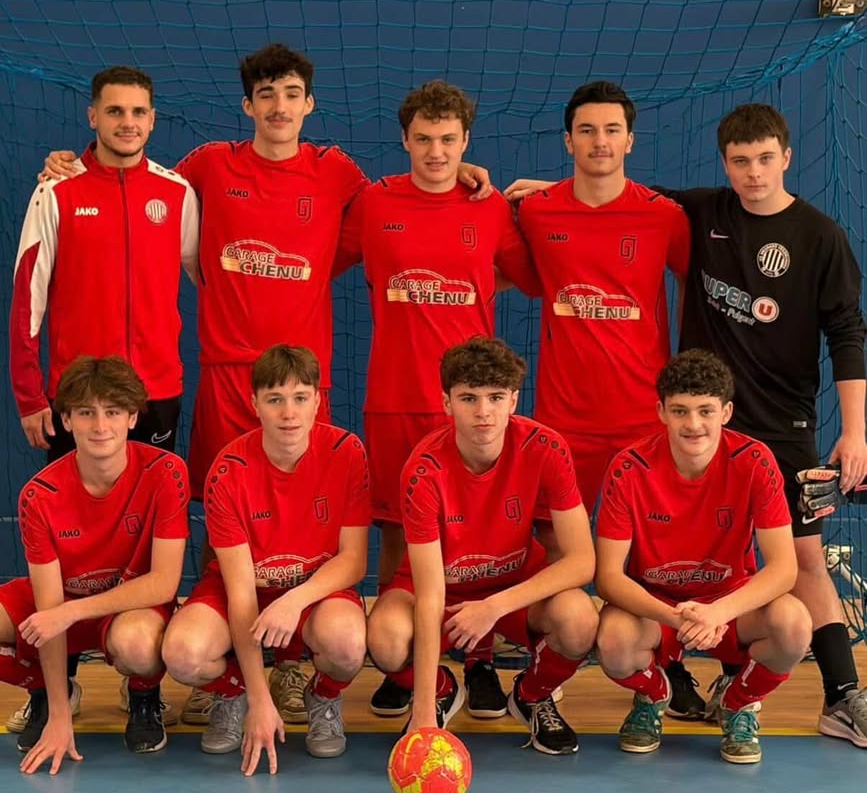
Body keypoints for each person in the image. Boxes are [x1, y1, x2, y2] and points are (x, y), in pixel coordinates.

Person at [42, 46, 488, 728]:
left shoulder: (337, 173)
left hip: (300, 386)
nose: (280, 106)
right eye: (266, 94)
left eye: (292, 93)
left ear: (309, 104)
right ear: (247, 105)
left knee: (307, 526)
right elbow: (131, 174)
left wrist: (467, 178)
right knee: (222, 528)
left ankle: (294, 673)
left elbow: (414, 196)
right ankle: (219, 669)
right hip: (226, 378)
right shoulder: (207, 167)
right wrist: (73, 160)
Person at [505, 102, 867, 742]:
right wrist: (551, 191)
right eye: (739, 161)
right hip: (689, 412)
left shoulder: (819, 235)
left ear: (785, 157)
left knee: (803, 558)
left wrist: (856, 429)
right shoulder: (700, 213)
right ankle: (572, 684)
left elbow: (846, 330)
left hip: (781, 420)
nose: (753, 173)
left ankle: (841, 695)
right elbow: (623, 193)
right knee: (623, 552)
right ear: (724, 164)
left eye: (764, 159)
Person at [335, 80, 537, 721]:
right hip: (395, 396)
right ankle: (414, 665)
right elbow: (316, 254)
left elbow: (531, 274)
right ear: (404, 140)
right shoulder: (373, 202)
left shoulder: (489, 207)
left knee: (480, 529)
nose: (435, 151)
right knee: (398, 534)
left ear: (466, 141)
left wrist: (544, 200)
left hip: (472, 402)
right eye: (423, 139)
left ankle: (479, 663)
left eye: (448, 140)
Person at [8, 65, 197, 733]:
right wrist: (33, 395)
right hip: (76, 401)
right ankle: (50, 686)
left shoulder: (178, 193)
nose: (127, 124)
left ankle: (142, 685)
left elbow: (207, 276)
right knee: (72, 545)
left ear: (152, 119)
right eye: (114, 112)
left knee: (149, 550)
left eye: (139, 113)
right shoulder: (57, 191)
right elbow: (27, 296)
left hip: (158, 396)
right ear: (92, 117)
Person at [366, 337, 598, 755]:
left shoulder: (545, 448)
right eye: (468, 398)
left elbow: (583, 561)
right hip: (440, 589)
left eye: (495, 397)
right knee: (384, 637)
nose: (483, 412)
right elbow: (432, 591)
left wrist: (495, 606)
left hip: (511, 587)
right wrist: (420, 710)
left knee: (579, 618)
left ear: (513, 400)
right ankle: (440, 692)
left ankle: (531, 696)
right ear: (446, 403)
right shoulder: (423, 469)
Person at [595, 349, 812, 763]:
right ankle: (654, 695)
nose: (693, 425)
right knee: (613, 641)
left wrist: (718, 612)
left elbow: (784, 569)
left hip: (729, 606)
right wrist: (676, 618)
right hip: (657, 610)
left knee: (794, 625)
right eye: (680, 411)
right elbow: (607, 577)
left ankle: (738, 701)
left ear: (726, 412)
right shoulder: (629, 467)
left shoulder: (754, 461)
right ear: (660, 411)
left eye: (705, 411)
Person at [160, 345, 369, 775]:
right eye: (275, 399)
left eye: (300, 398)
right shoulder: (227, 471)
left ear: (318, 402)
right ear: (255, 404)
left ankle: (324, 697)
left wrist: (296, 600)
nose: (288, 413)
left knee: (347, 644)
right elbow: (240, 593)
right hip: (247, 592)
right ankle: (232, 693)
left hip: (315, 592)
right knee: (183, 654)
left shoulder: (347, 453)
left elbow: (352, 562)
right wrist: (259, 697)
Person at [515, 81, 690, 551]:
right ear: (569, 141)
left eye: (612, 130)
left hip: (642, 417)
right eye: (587, 130)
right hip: (563, 420)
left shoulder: (664, 216)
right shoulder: (536, 211)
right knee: (553, 543)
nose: (600, 141)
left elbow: (694, 282)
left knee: (649, 546)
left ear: (630, 140)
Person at [0, 356, 190, 773]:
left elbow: (162, 584)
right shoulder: (39, 495)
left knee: (140, 644)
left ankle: (144, 697)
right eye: (86, 412)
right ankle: (49, 696)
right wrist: (59, 721)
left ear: (133, 417)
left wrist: (72, 612)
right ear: (66, 420)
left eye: (112, 412)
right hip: (63, 600)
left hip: (127, 607)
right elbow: (49, 609)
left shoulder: (167, 473)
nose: (100, 426)